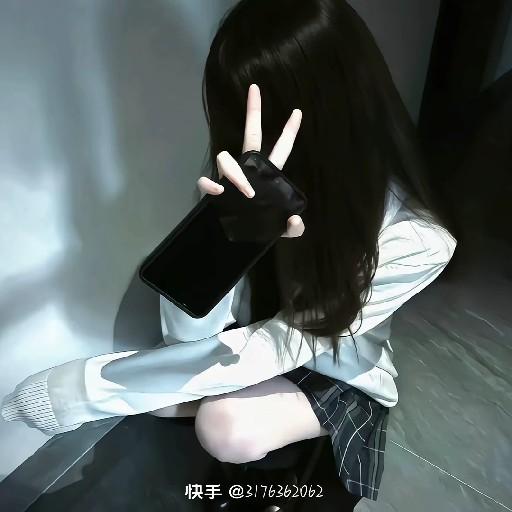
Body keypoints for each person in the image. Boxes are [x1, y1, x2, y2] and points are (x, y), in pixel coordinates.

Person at [1, 0, 457, 509]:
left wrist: (79, 392)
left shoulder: (417, 239)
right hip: (247, 343)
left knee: (222, 424)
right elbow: (186, 337)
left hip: (333, 367)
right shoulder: (249, 184)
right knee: (162, 397)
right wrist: (220, 236)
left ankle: (283, 477)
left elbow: (283, 346)